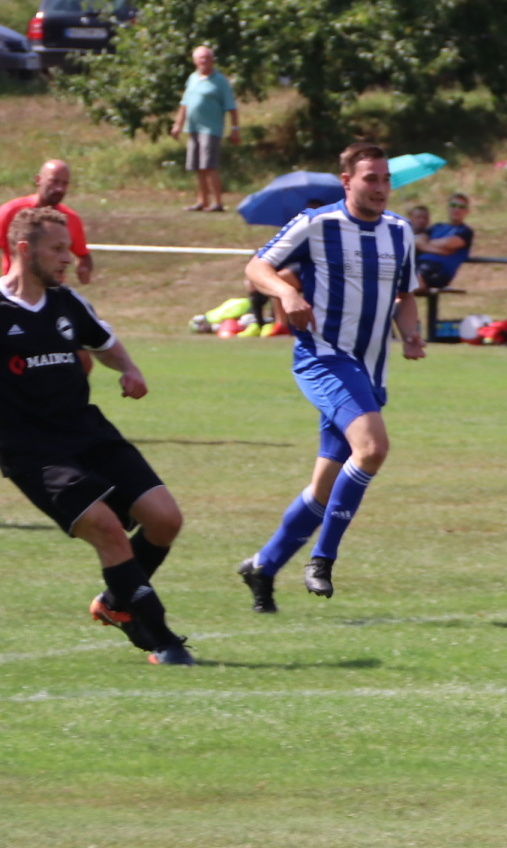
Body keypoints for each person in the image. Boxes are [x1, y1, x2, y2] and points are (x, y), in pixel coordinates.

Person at [237, 142, 425, 613]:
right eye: (370, 178)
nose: (380, 188)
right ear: (347, 181)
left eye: (385, 179)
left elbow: (405, 296)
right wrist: (286, 294)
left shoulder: (400, 231)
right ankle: (322, 558)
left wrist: (411, 333)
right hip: (323, 357)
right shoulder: (316, 224)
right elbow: (257, 267)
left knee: (326, 485)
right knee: (373, 449)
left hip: (370, 370)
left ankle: (263, 565)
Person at [0, 207, 193, 665]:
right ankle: (162, 639)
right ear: (24, 250)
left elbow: (103, 342)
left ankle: (115, 600)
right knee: (107, 529)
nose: (68, 258)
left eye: (68, 248)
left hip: (88, 432)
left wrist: (129, 369)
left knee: (165, 520)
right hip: (32, 452)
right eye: (57, 249)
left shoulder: (67, 302)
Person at [0, 159, 94, 285]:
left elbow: (84, 255)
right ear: (38, 180)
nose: (59, 188)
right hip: (16, 289)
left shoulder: (71, 219)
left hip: (53, 291)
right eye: (54, 181)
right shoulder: (9, 212)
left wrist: (84, 268)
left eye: (64, 183)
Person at [169, 45, 240, 212]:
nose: (204, 61)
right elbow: (185, 103)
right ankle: (202, 201)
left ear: (213, 60)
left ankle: (218, 202)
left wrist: (235, 129)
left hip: (210, 129)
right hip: (193, 128)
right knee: (198, 167)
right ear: (195, 61)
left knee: (209, 165)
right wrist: (178, 124)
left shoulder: (220, 81)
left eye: (208, 58)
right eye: (201, 58)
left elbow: (231, 107)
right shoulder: (192, 78)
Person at [415, 193, 475, 289]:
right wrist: (442, 250)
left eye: (461, 207)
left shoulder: (465, 231)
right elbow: (418, 241)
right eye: (453, 205)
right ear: (448, 208)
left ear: (466, 211)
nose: (457, 209)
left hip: (439, 271)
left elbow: (448, 243)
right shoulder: (436, 227)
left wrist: (426, 244)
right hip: (419, 263)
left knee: (413, 279)